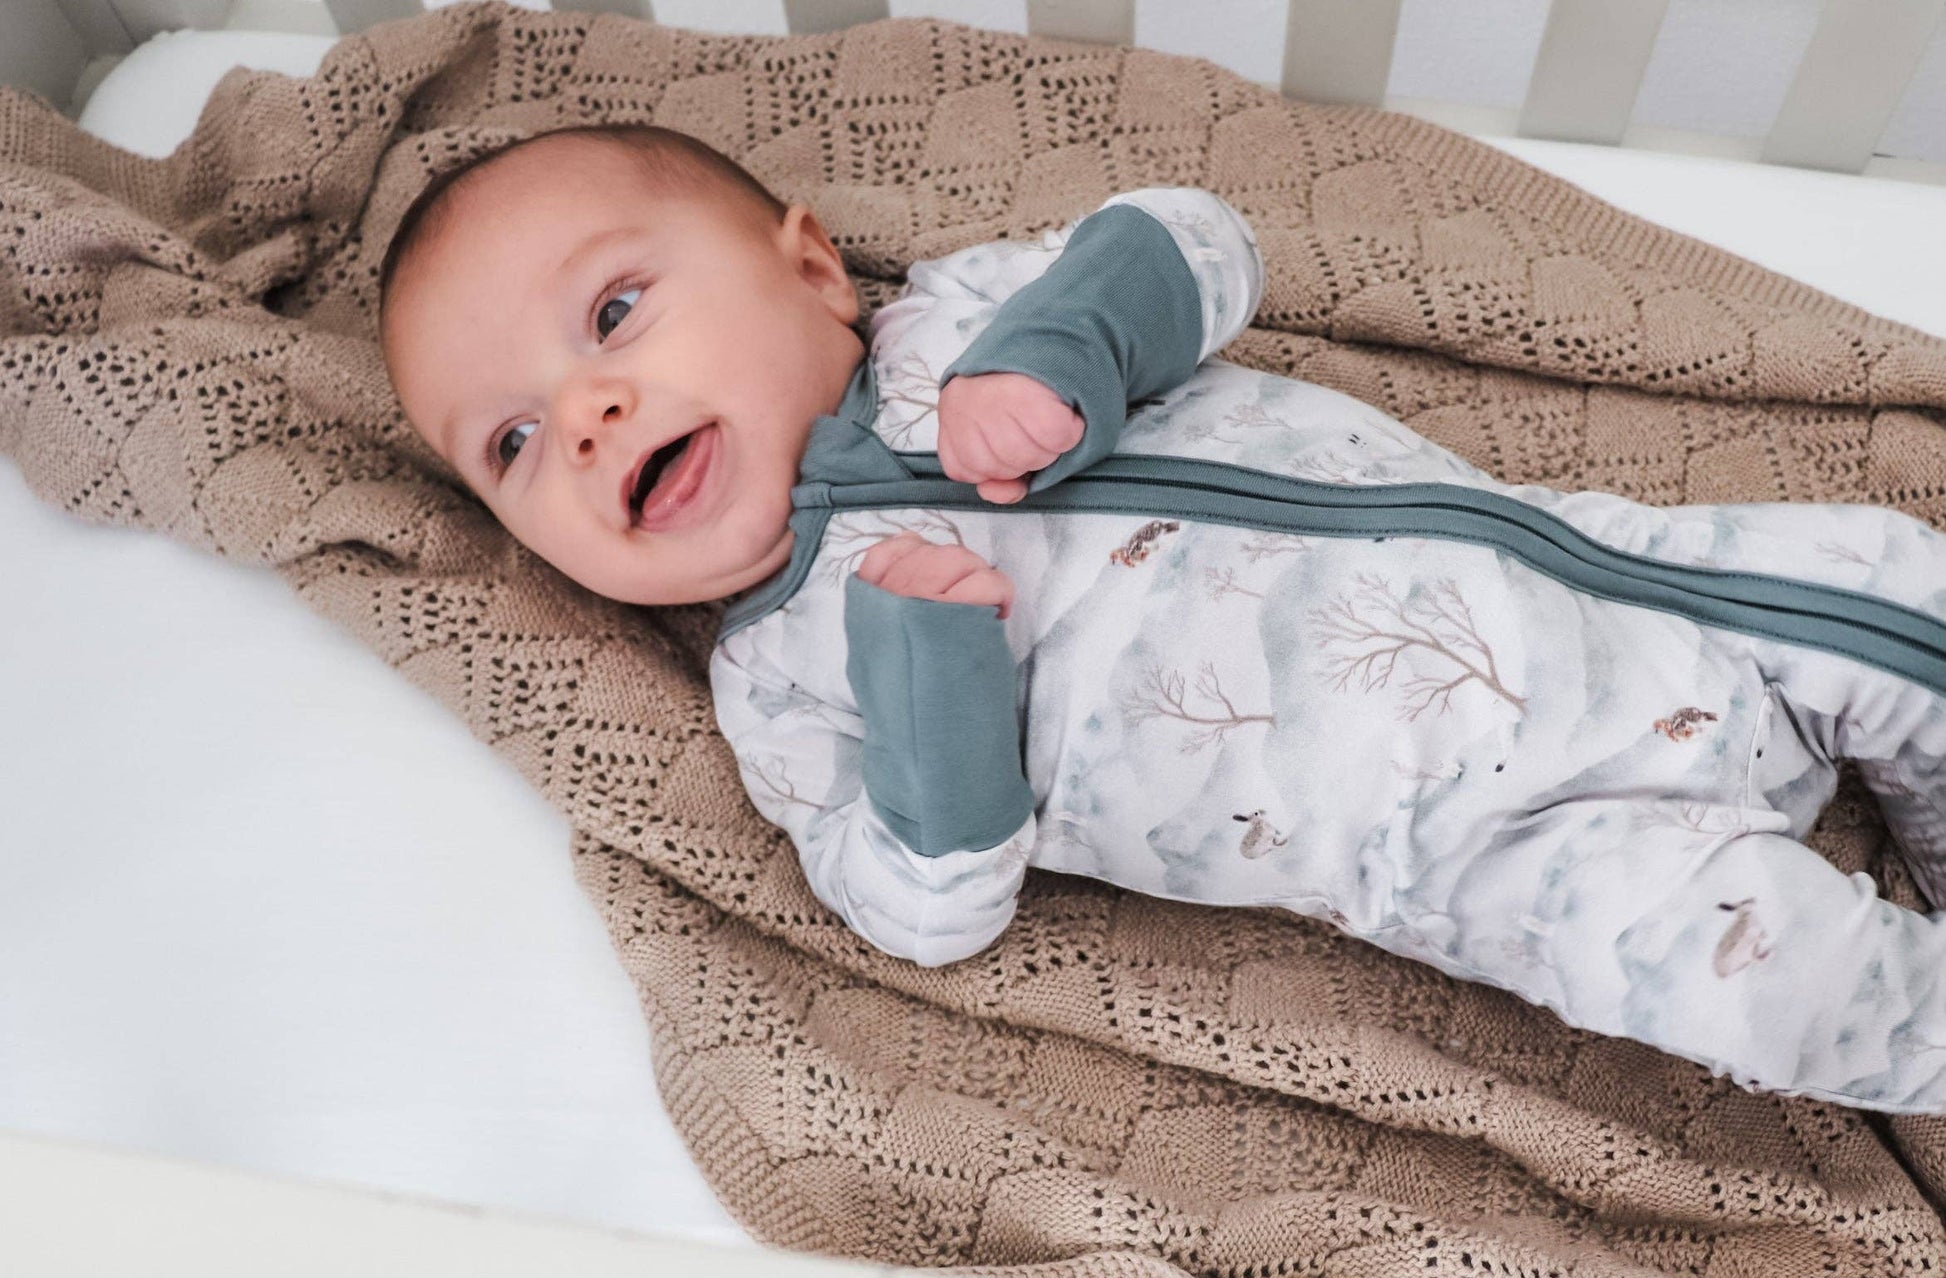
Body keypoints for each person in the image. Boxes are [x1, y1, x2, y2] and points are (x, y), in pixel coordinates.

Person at [379, 123, 1946, 1113]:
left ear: (810, 268)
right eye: (508, 442)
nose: (582, 414)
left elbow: (1198, 237)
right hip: (1489, 852)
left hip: (1625, 589)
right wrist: (933, 694)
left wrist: (1061, 349)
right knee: (1775, 987)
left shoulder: (965, 316)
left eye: (613, 312)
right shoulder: (783, 689)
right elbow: (923, 910)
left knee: (1899, 584)